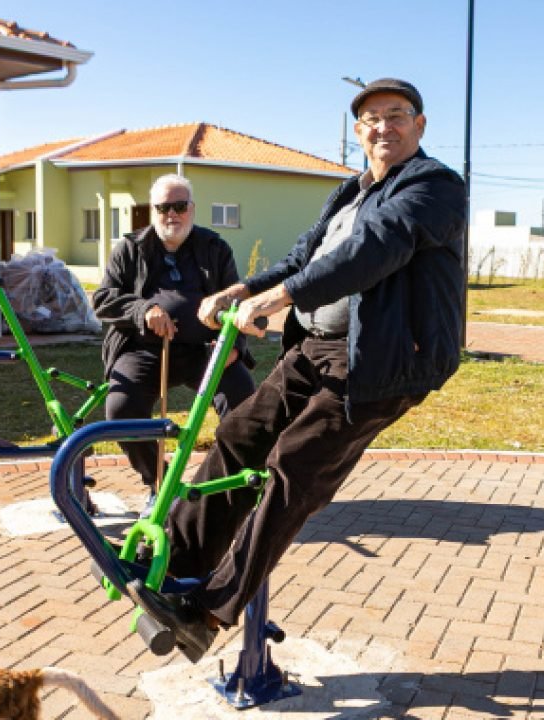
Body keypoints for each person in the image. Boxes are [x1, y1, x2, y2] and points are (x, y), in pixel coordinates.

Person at [128, 78, 467, 661]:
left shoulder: (435, 187)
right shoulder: (349, 193)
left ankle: (208, 612)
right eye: (370, 119)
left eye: (396, 115)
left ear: (419, 125)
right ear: (358, 133)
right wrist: (243, 288)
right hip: (314, 347)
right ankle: (171, 566)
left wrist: (276, 298)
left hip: (380, 360)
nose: (382, 126)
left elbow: (374, 252)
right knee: (238, 434)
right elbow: (303, 255)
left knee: (294, 465)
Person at [91, 174, 256, 512]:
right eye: (164, 207)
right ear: (152, 210)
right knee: (120, 409)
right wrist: (143, 310)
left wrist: (234, 347)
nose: (172, 214)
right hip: (144, 349)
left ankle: (235, 485)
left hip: (205, 351)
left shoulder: (215, 248)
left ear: (192, 209)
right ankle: (160, 485)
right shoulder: (130, 249)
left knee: (244, 400)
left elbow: (236, 300)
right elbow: (103, 299)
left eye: (180, 206)